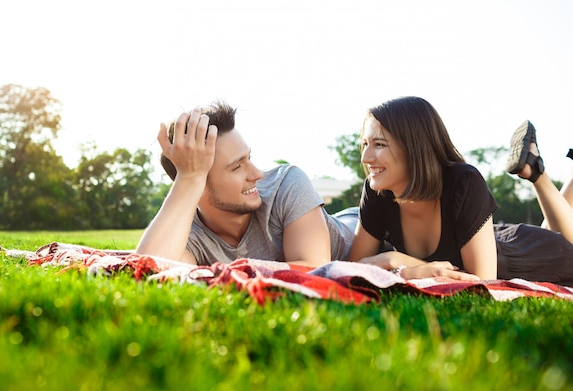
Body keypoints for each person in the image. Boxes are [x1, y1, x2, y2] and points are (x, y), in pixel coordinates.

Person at [348, 96, 573, 286]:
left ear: (413, 147)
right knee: (558, 230)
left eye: (379, 144)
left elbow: (483, 283)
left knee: (565, 243)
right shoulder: (378, 189)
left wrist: (398, 262)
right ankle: (533, 168)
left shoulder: (464, 182)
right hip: (492, 238)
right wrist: (409, 269)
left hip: (534, 254)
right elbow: (352, 268)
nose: (365, 158)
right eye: (365, 144)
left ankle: (536, 173)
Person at [136, 101, 356, 267]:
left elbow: (313, 271)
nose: (257, 174)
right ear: (197, 184)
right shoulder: (185, 230)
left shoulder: (286, 184)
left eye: (248, 158)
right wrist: (188, 179)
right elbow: (150, 272)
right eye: (237, 167)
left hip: (364, 228)